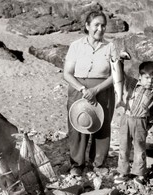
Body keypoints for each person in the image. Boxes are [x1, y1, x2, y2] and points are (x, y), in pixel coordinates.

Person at [63, 10, 118, 176]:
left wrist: (96, 90)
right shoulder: (76, 46)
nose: (100, 29)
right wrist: (83, 89)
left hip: (102, 89)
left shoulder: (111, 47)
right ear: (87, 26)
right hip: (78, 89)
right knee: (77, 126)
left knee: (102, 125)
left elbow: (116, 74)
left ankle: (99, 163)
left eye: (103, 25)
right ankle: (77, 164)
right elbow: (67, 73)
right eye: (96, 25)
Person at [114, 61, 153, 185]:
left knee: (140, 149)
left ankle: (140, 173)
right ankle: (123, 172)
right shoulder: (131, 83)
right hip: (126, 119)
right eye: (146, 78)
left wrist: (148, 125)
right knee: (123, 147)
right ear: (140, 77)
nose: (150, 81)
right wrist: (120, 61)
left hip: (141, 122)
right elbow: (120, 74)